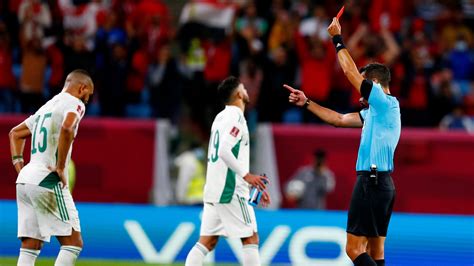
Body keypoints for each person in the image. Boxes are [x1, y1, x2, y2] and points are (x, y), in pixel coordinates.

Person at [285, 17, 401, 266]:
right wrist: (307, 102)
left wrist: (337, 39)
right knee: (375, 252)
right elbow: (337, 119)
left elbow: (349, 71)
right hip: (384, 184)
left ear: (376, 84)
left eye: (364, 84)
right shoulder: (377, 112)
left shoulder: (382, 102)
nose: (359, 97)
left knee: (353, 249)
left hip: (371, 182)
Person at [9, 69, 94, 266]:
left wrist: (19, 166)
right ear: (82, 88)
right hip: (47, 177)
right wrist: (61, 166)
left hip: (25, 178)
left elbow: (15, 133)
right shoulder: (76, 103)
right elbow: (67, 127)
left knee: (30, 245)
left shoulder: (46, 107)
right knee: (73, 243)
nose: (88, 99)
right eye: (88, 94)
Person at [185, 76, 271, 266]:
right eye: (244, 89)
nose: (247, 91)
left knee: (207, 242)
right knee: (251, 239)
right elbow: (224, 150)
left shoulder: (220, 117)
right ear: (239, 94)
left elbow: (228, 153)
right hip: (229, 191)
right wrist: (247, 176)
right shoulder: (236, 118)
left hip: (214, 189)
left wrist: (250, 182)